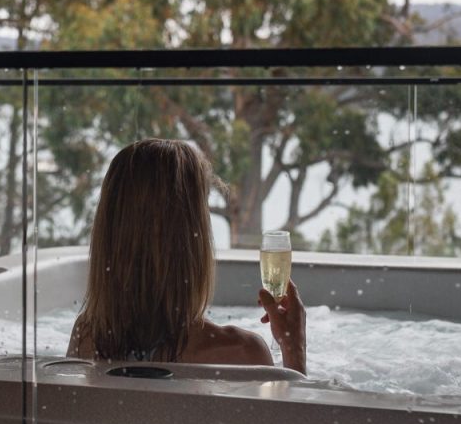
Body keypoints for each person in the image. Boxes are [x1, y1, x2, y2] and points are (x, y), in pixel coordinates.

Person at [67, 138, 307, 373]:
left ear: (108, 233)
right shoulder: (240, 354)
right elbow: (290, 413)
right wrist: (293, 348)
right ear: (192, 240)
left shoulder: (86, 341)